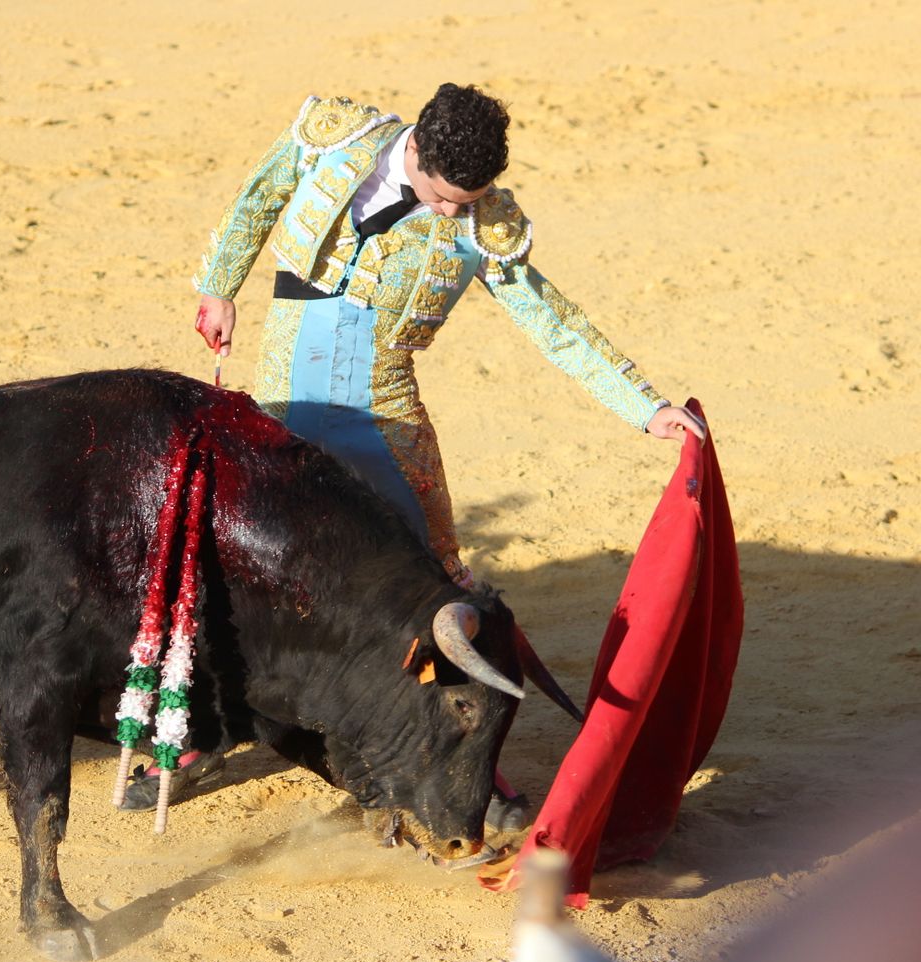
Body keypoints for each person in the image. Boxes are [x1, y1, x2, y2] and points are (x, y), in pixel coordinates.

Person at [120, 83, 706, 816]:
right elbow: (261, 194)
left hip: (384, 413)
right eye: (444, 196)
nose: (454, 213)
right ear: (417, 150)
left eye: (469, 200)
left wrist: (640, 403)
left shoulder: (484, 224)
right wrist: (218, 287)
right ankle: (205, 729)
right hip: (282, 400)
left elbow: (550, 320)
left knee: (435, 589)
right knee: (235, 565)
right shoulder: (335, 137)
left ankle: (468, 769)